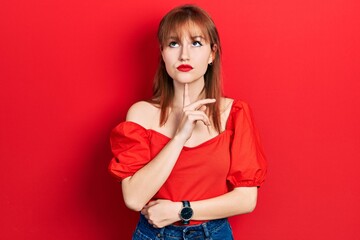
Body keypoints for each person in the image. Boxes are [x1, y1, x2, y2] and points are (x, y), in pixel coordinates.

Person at [109, 4, 267, 240]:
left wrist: (180, 210)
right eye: (174, 43)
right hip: (154, 235)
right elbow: (134, 198)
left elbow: (246, 199)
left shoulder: (234, 112)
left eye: (196, 43)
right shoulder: (141, 113)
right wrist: (179, 136)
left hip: (214, 234)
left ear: (212, 53)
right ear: (162, 53)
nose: (184, 54)